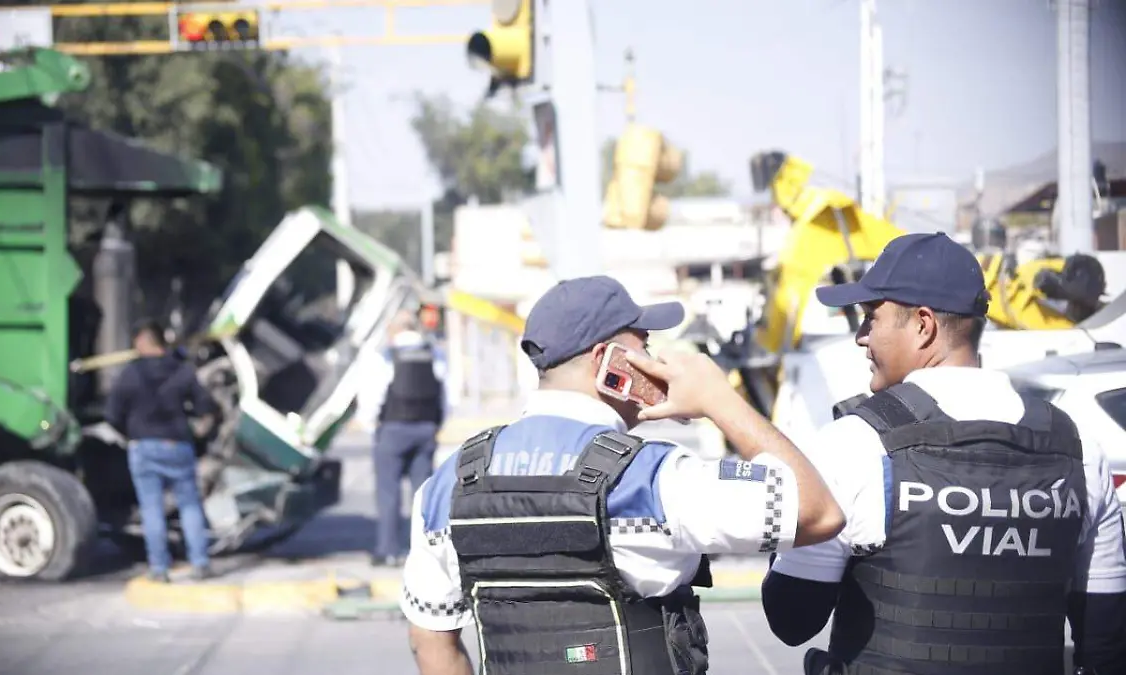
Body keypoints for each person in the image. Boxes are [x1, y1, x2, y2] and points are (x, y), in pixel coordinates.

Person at [399, 275, 845, 675]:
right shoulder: (652, 478)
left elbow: (431, 641)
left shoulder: (450, 483)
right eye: (645, 345)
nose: (654, 358)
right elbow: (817, 512)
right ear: (606, 360)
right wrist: (717, 399)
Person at [760, 232, 1126, 675]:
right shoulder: (1079, 447)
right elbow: (1106, 645)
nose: (861, 337)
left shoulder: (854, 444)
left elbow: (792, 619)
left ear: (923, 325)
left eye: (870, 318)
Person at [105, 319, 217, 582]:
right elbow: (206, 407)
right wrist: (199, 431)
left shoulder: (130, 374)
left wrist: (131, 434)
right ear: (162, 343)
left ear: (140, 343)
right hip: (178, 445)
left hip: (143, 447)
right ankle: (200, 563)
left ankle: (159, 569)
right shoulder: (183, 371)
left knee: (151, 509)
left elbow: (112, 414)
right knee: (189, 505)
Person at [356, 308, 449, 567]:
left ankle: (388, 551)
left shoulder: (385, 356)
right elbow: (446, 397)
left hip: (393, 429)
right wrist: (436, 424)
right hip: (425, 429)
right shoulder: (434, 353)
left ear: (394, 329)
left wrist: (371, 425)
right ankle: (427, 553)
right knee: (424, 494)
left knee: (388, 493)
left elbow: (373, 397)